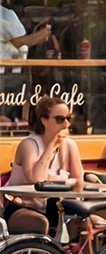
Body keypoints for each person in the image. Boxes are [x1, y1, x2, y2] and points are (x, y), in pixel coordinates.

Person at [5, 95, 87, 230]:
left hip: (56, 207)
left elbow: (79, 183)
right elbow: (35, 178)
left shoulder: (70, 146)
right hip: (22, 207)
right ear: (44, 121)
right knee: (40, 223)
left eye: (69, 118)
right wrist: (51, 147)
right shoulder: (29, 145)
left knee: (92, 222)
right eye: (60, 119)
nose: (66, 124)